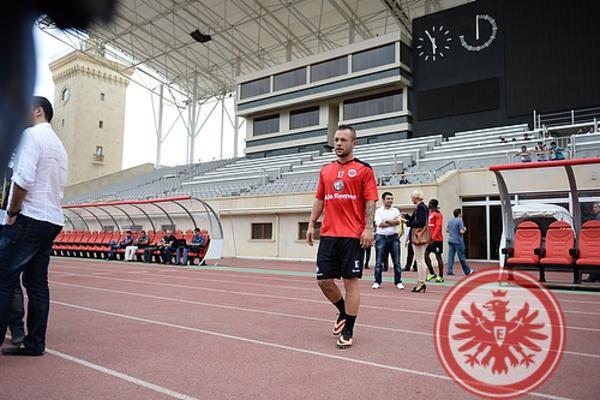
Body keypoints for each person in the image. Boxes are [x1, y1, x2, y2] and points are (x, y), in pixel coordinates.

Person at [0, 96, 68, 356]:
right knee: (37, 283)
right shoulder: (59, 146)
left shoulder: (31, 135)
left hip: (30, 216)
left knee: (3, 278)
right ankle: (35, 342)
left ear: (38, 111)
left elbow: (24, 179)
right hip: (52, 219)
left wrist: (13, 212)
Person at [306, 125, 378, 349]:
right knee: (323, 281)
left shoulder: (364, 170)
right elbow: (320, 199)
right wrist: (311, 223)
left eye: (343, 140)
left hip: (352, 235)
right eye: (336, 139)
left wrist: (368, 227)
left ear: (353, 143)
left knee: (350, 282)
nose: (338, 143)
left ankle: (348, 330)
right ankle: (343, 312)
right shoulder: (326, 170)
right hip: (329, 234)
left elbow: (371, 200)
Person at [372, 192, 403, 290]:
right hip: (381, 237)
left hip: (394, 237)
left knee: (397, 262)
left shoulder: (396, 210)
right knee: (379, 261)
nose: (390, 200)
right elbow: (379, 224)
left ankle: (398, 282)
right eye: (388, 198)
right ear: (383, 200)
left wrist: (386, 221)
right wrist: (392, 221)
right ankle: (377, 281)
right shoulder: (378, 211)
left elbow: (398, 222)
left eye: (391, 198)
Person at [401, 190, 429, 293]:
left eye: (412, 197)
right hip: (422, 236)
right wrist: (408, 217)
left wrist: (407, 222)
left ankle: (421, 282)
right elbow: (416, 220)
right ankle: (422, 281)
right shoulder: (422, 207)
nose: (411, 199)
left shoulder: (420, 207)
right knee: (421, 259)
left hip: (419, 236)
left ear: (415, 198)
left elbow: (420, 223)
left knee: (419, 260)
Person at [447, 208, 474, 276]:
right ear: (459, 214)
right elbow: (461, 232)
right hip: (458, 241)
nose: (462, 214)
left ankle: (449, 271)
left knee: (450, 257)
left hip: (450, 240)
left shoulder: (450, 221)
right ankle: (467, 271)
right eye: (461, 213)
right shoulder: (460, 221)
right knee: (461, 256)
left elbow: (447, 230)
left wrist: (452, 232)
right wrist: (465, 229)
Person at [425, 198, 444, 283]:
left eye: (429, 203)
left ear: (432, 205)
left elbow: (438, 227)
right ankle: (432, 273)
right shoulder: (430, 213)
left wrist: (433, 238)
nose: (428, 205)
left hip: (437, 240)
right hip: (429, 239)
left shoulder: (438, 214)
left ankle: (441, 276)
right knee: (425, 255)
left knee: (438, 256)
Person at [583, 202, 600, 283]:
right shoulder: (597, 217)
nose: (593, 209)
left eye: (595, 207)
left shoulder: (598, 217)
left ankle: (593, 277)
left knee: (593, 257)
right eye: (593, 207)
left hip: (596, 240)